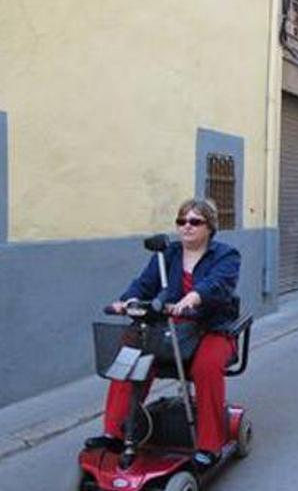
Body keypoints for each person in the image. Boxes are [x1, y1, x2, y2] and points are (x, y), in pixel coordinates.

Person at [85, 198, 240, 469]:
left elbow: (219, 284)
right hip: (171, 328)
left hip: (210, 328)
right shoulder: (167, 254)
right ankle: (116, 433)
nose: (186, 227)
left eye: (195, 221)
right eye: (182, 221)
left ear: (209, 227)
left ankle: (209, 445)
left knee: (207, 366)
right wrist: (127, 302)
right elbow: (143, 284)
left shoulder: (226, 255)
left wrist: (193, 298)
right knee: (129, 354)